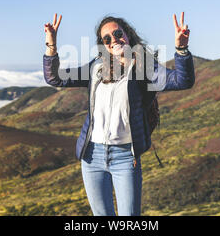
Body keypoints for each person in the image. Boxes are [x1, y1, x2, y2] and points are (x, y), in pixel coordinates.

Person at [43, 13, 195, 216]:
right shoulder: (96, 68)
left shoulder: (144, 68)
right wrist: (51, 45)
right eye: (107, 38)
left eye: (117, 33)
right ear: (103, 46)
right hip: (91, 156)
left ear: (127, 35)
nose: (113, 40)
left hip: (125, 156)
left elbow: (182, 81)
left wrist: (181, 49)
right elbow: (55, 78)